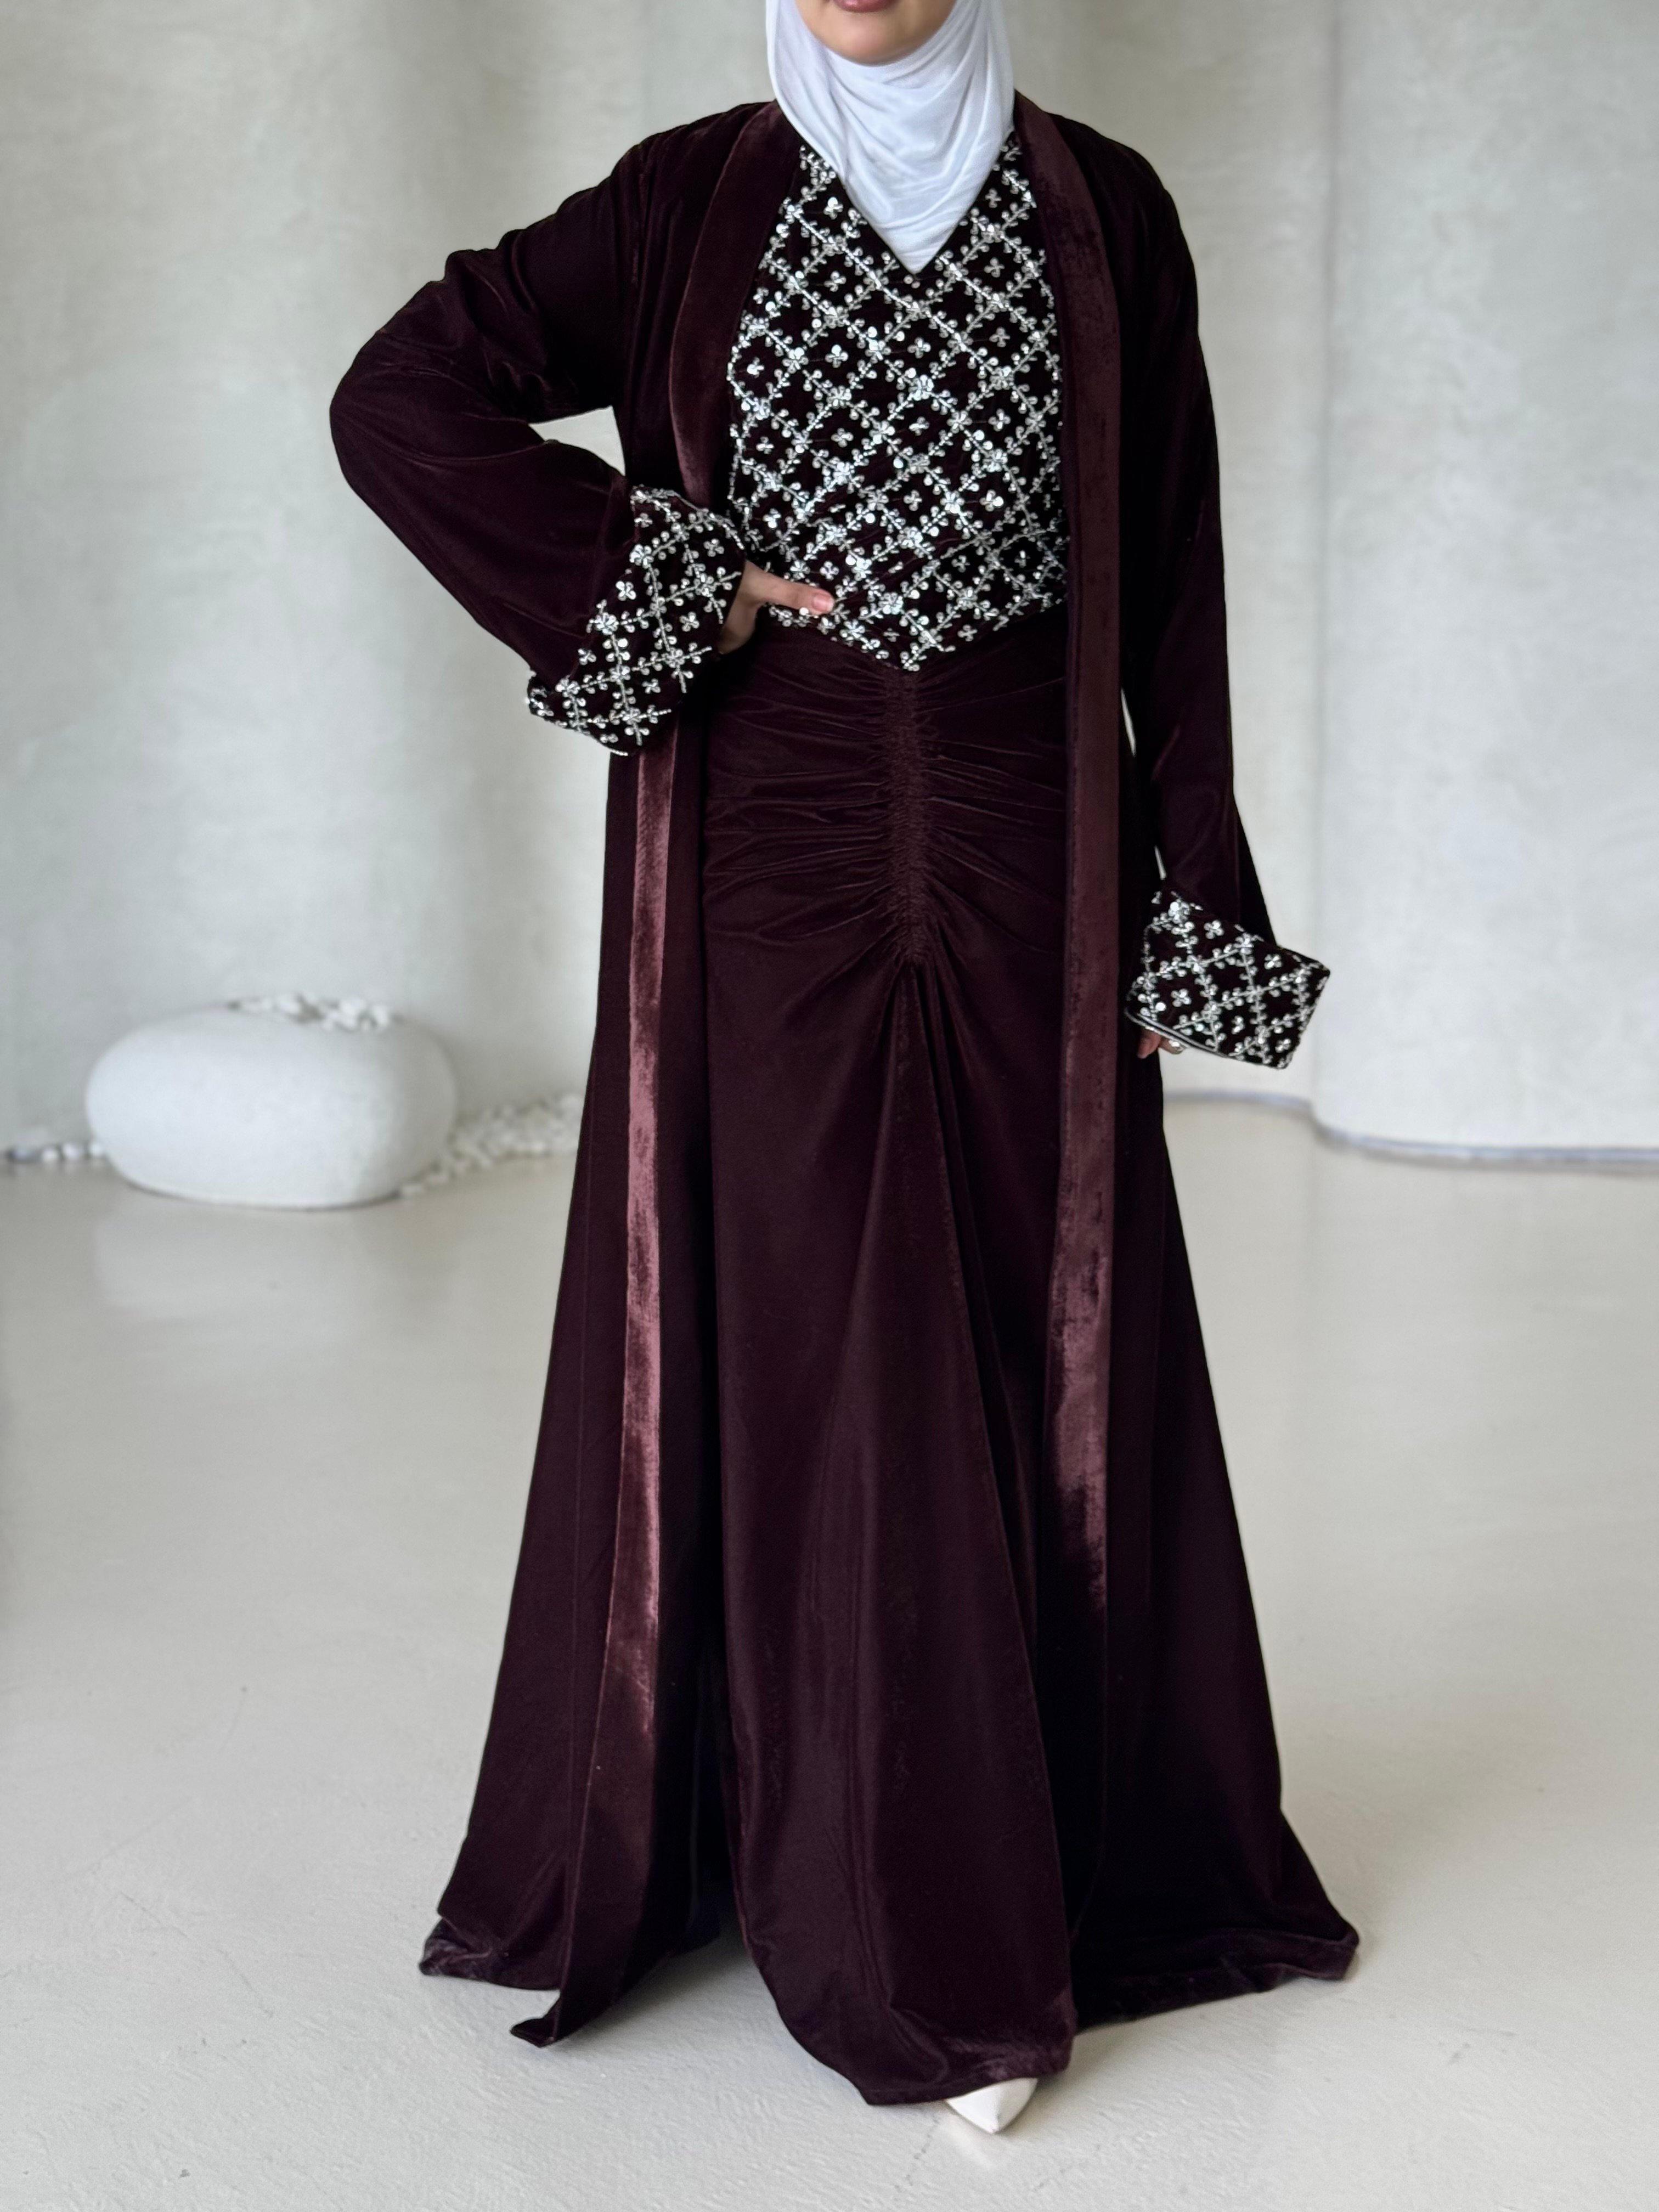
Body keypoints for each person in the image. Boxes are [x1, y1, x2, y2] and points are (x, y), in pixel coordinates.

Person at [330, 0, 1357, 2136]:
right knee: (812, 1344)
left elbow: (1171, 581)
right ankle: (873, 1900)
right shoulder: (681, 200)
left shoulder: (1107, 215)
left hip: (1026, 841)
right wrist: (668, 582)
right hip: (769, 851)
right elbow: (398, 399)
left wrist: (1194, 900)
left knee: (1015, 1336)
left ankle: (992, 1869)